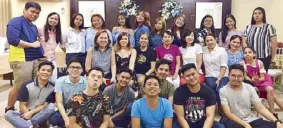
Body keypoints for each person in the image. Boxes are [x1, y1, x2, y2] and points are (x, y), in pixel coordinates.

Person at [5, 1, 43, 113]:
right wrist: (32, 44)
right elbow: (13, 40)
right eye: (32, 11)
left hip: (33, 58)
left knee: (33, 85)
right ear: (25, 10)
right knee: (19, 86)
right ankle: (9, 108)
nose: (34, 14)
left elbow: (35, 43)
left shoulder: (34, 26)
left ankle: (27, 108)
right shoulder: (16, 21)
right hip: (20, 58)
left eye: (37, 13)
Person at [220, 64, 283, 128]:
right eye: (233, 76)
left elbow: (261, 108)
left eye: (239, 76)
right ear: (228, 76)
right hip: (232, 120)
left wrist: (276, 121)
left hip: (250, 119)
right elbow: (228, 113)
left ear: (243, 77)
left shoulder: (249, 88)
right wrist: (245, 124)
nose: (236, 79)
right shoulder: (223, 90)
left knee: (274, 126)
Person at [5, 61, 56, 128]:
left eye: (48, 71)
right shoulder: (27, 84)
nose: (45, 72)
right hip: (26, 112)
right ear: (38, 72)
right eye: (43, 70)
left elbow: (45, 105)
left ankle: (27, 125)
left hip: (41, 114)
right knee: (8, 114)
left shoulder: (53, 87)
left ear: (51, 73)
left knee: (51, 107)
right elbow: (22, 105)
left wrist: (31, 113)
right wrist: (28, 114)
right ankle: (31, 125)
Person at [174, 63, 225, 128]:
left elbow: (210, 116)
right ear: (184, 78)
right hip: (186, 125)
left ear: (197, 73)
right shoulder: (178, 92)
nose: (191, 77)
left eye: (193, 74)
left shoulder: (209, 92)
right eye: (188, 76)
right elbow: (181, 117)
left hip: (204, 124)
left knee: (220, 127)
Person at [239, 47, 283, 118]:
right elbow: (245, 76)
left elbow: (263, 77)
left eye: (249, 52)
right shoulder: (242, 63)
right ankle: (273, 114)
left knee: (270, 90)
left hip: (264, 81)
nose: (247, 54)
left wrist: (258, 79)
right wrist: (251, 80)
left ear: (254, 54)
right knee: (274, 97)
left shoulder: (259, 62)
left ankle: (273, 114)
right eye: (245, 53)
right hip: (253, 82)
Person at [49, 59, 87, 127]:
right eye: (72, 67)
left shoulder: (86, 82)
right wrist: (66, 118)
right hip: (64, 110)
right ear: (68, 69)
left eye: (78, 67)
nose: (75, 69)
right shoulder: (60, 81)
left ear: (82, 70)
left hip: (79, 111)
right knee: (54, 119)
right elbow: (59, 102)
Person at [243, 7, 277, 72]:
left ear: (263, 15)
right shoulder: (248, 27)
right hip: (251, 58)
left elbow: (274, 43)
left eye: (259, 13)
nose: (257, 15)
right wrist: (247, 53)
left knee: (262, 78)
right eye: (255, 13)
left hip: (264, 57)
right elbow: (244, 42)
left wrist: (272, 57)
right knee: (251, 77)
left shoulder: (269, 27)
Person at [203, 33, 229, 104]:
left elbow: (223, 66)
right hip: (210, 75)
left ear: (216, 39)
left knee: (220, 90)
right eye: (207, 41)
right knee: (211, 88)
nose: (209, 42)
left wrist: (219, 79)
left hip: (222, 75)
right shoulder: (203, 50)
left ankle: (222, 108)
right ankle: (212, 107)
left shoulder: (221, 50)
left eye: (211, 40)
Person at [38, 12, 64, 83]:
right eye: (51, 18)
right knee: (42, 80)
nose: (53, 20)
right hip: (42, 59)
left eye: (56, 19)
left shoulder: (58, 32)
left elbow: (63, 46)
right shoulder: (40, 30)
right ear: (48, 19)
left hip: (53, 59)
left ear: (58, 21)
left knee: (54, 80)